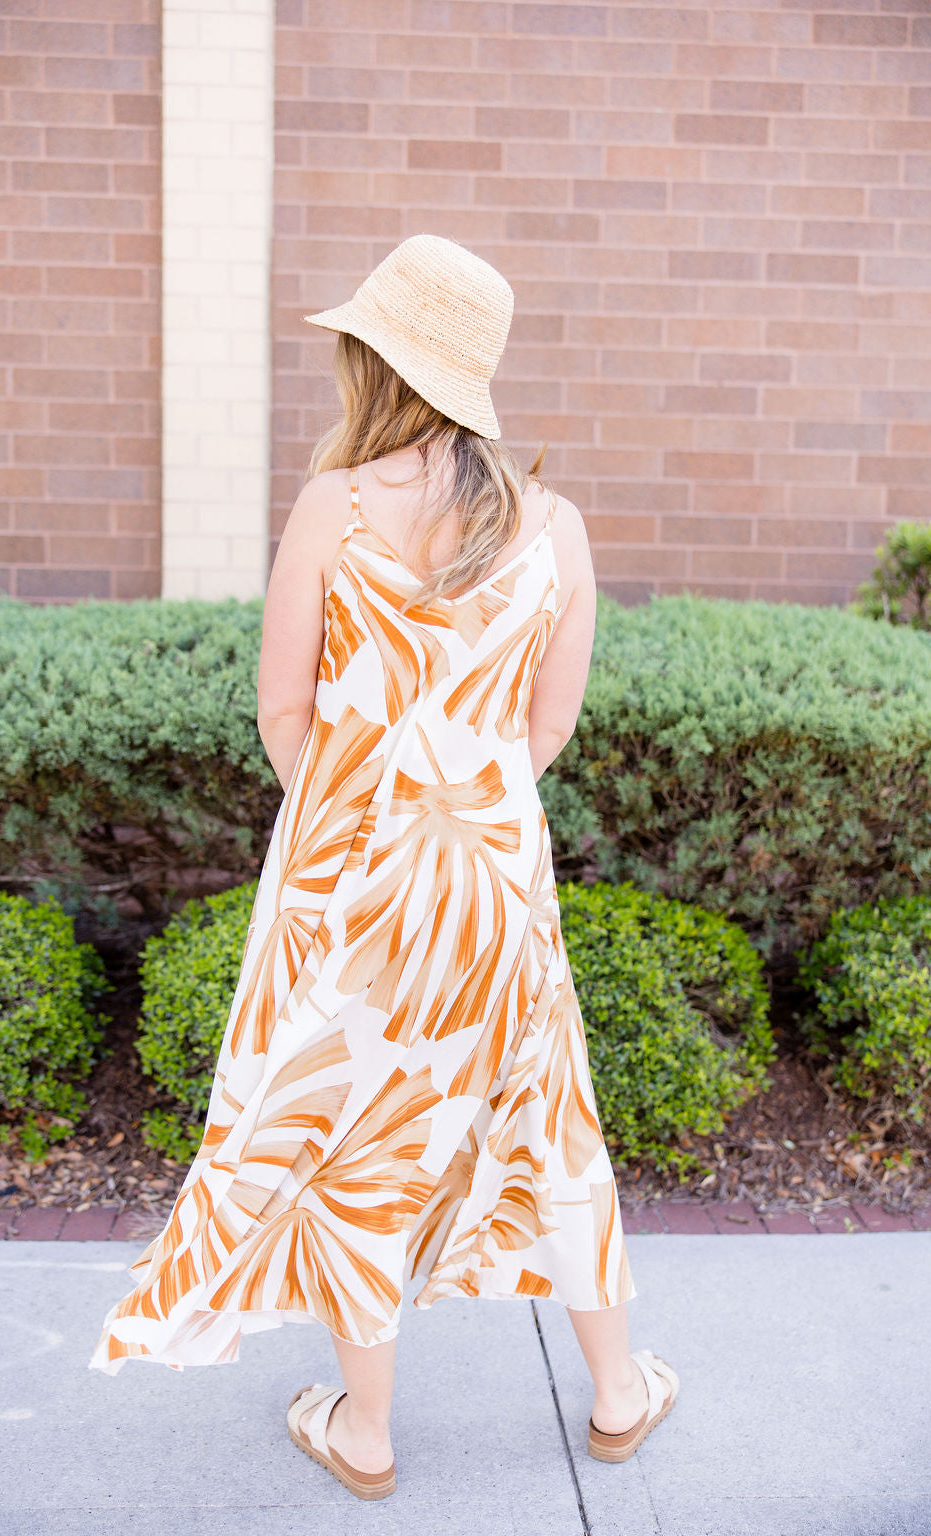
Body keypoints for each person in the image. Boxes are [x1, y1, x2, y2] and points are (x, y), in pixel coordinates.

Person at [88, 233, 678, 1499]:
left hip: (350, 872)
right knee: (548, 1113)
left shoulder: (336, 505)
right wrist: (465, 810)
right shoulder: (557, 528)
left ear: (379, 363)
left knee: (356, 1132)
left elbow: (281, 711)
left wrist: (358, 817)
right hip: (493, 874)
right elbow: (547, 730)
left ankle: (366, 1432)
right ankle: (620, 1396)